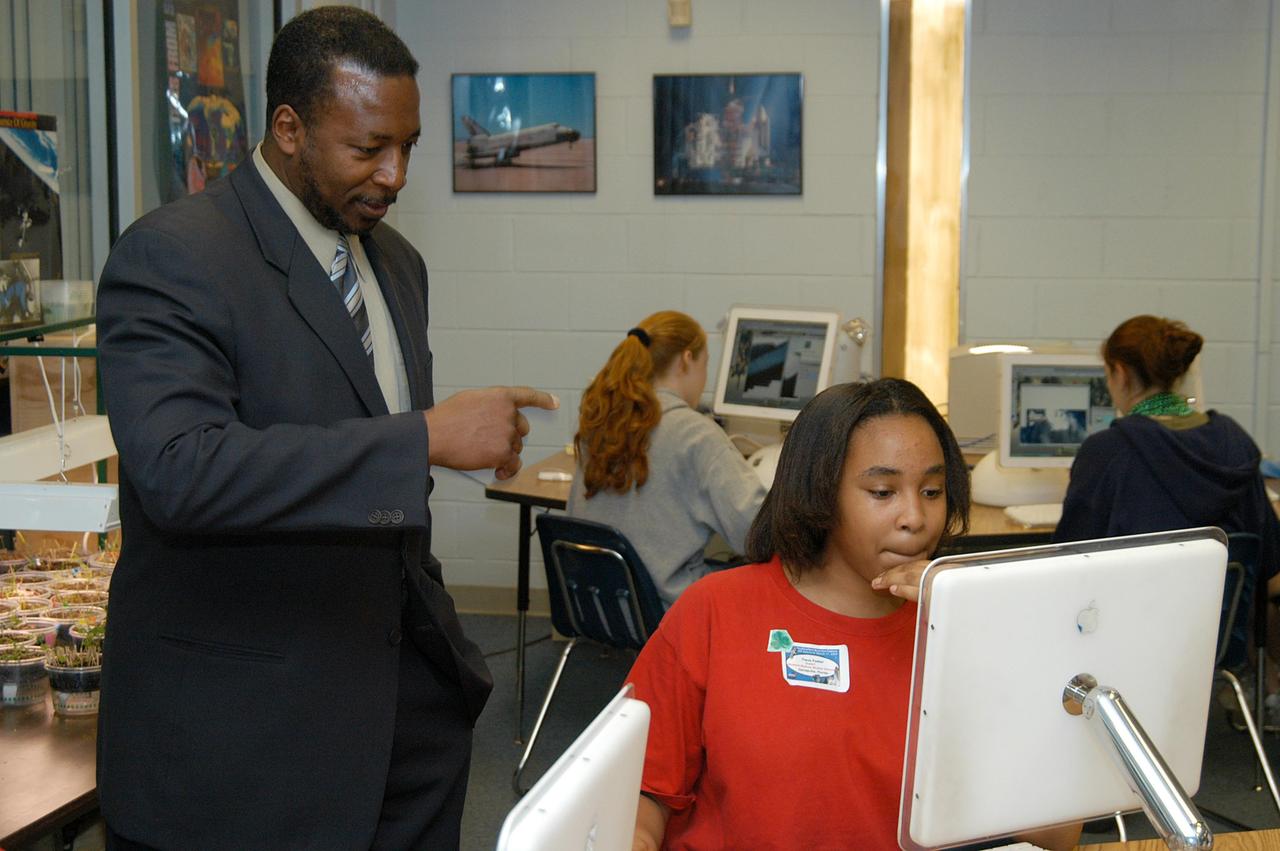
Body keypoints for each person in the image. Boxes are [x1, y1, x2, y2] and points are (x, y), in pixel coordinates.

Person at [94, 8, 556, 849]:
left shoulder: (399, 265)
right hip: (245, 750)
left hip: (404, 724)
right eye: (368, 147)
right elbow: (180, 470)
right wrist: (424, 437)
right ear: (288, 128)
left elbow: (366, 469)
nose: (396, 173)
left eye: (409, 145)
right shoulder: (174, 256)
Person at [626, 378, 1082, 851]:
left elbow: (1055, 831)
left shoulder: (962, 629)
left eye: (931, 491)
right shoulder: (714, 610)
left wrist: (1006, 634)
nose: (914, 517)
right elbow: (640, 794)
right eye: (883, 492)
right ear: (821, 495)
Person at [1054, 316, 1280, 661]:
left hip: (1125, 647)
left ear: (1119, 372)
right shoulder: (1236, 443)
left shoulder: (1107, 452)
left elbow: (1066, 564)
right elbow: (1267, 561)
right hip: (1217, 648)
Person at [568, 311, 766, 607]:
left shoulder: (601, 423)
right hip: (669, 609)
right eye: (705, 363)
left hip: (599, 603)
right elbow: (757, 534)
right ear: (687, 359)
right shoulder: (696, 434)